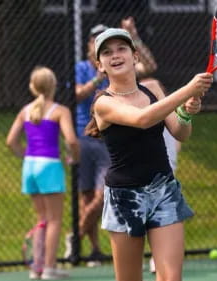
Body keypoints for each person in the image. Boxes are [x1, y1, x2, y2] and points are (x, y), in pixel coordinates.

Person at [86, 28, 212, 281]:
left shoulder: (153, 88)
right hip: (124, 200)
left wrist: (187, 113)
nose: (115, 55)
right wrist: (188, 90)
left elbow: (180, 131)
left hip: (164, 192)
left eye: (122, 48)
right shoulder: (103, 103)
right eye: (107, 52)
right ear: (100, 66)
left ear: (135, 56)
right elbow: (143, 120)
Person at [64, 19, 158, 267]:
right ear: (90, 49)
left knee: (102, 195)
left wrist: (135, 36)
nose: (111, 52)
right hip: (85, 137)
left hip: (111, 141)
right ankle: (93, 250)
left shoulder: (121, 68)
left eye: (115, 45)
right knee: (87, 198)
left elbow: (149, 66)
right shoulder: (83, 68)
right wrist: (97, 78)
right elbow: (75, 94)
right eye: (98, 42)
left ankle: (76, 235)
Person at [6, 66, 80, 280]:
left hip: (29, 166)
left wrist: (25, 155)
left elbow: (11, 141)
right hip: (49, 166)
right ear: (53, 86)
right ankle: (49, 267)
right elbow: (72, 140)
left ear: (32, 87)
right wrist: (74, 157)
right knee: (55, 219)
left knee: (42, 218)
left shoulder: (25, 111)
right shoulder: (60, 111)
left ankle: (36, 267)